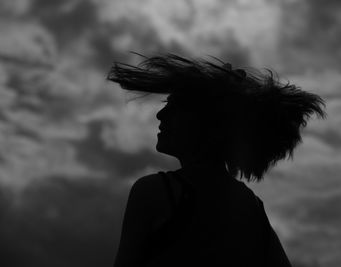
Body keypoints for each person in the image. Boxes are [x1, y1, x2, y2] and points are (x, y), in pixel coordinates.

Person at [107, 53, 326, 266]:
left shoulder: (156, 192)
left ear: (205, 124)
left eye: (174, 106)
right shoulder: (250, 207)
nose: (161, 115)